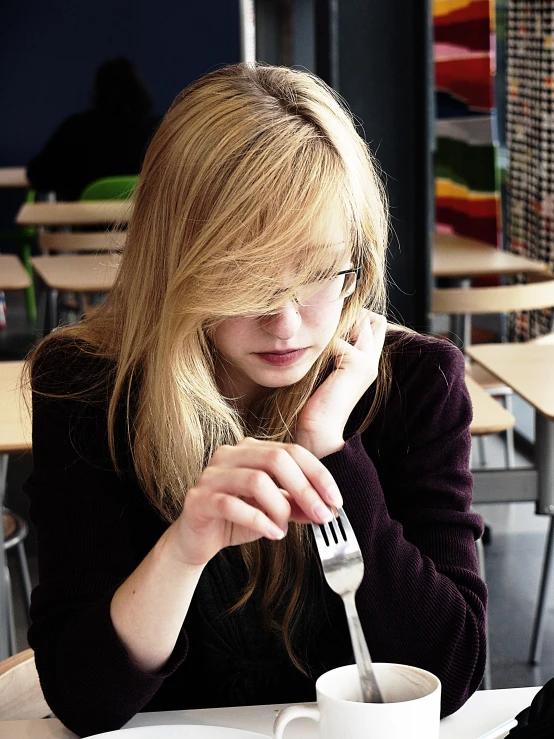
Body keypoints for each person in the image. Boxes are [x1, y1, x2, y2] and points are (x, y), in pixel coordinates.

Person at [24, 63, 487, 738]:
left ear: (357, 256)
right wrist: (184, 546)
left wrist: (331, 445)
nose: (286, 322)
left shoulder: (418, 382)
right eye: (242, 280)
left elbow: (450, 670)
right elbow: (83, 696)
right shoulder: (87, 386)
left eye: (318, 273)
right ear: (174, 262)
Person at [26, 57, 160, 200]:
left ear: (97, 91)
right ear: (140, 89)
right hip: (143, 220)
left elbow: (38, 175)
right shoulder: (158, 130)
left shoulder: (76, 129)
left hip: (84, 221)